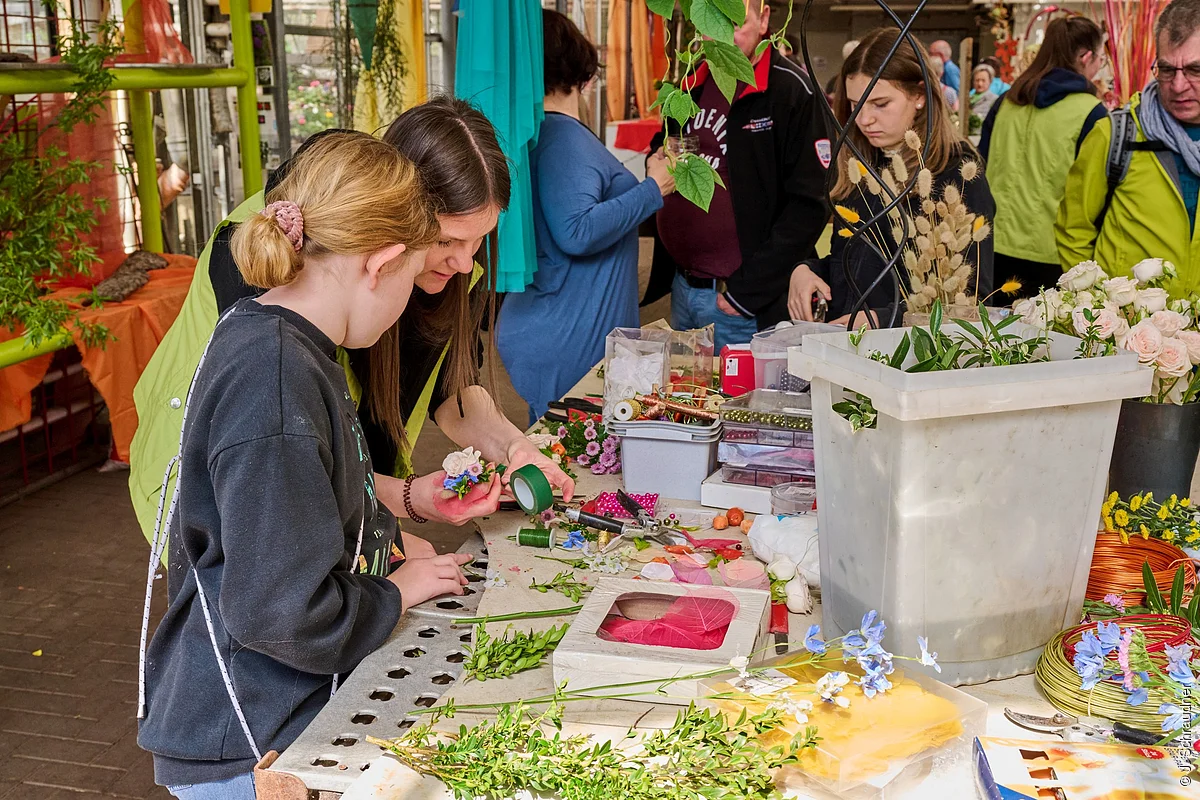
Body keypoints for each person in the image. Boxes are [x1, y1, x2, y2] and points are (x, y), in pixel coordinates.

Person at [138, 132, 475, 798]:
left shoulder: (279, 338)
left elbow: (309, 508)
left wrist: (389, 543)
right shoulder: (277, 380)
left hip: (269, 713)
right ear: (381, 264)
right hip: (250, 742)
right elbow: (282, 613)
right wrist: (395, 594)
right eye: (412, 277)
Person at [130, 97, 574, 550]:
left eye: (479, 239)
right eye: (444, 241)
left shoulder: (439, 266)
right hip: (218, 499)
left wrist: (512, 447)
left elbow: (451, 386)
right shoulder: (268, 254)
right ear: (390, 233)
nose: (464, 263)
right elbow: (281, 469)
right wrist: (384, 541)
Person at [497, 10, 674, 424]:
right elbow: (576, 231)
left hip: (551, 323)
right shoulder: (562, 137)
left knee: (558, 442)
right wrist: (654, 188)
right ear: (585, 74)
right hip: (564, 331)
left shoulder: (540, 135)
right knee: (569, 446)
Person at [646, 0, 832, 345]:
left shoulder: (790, 91)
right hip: (684, 286)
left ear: (764, 20)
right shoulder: (692, 82)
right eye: (711, 22)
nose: (720, 35)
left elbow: (810, 204)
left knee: (735, 383)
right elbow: (662, 140)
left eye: (734, 22)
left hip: (740, 303)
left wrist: (746, 293)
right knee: (687, 380)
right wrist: (655, 157)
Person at [787, 28, 995, 326]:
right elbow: (852, 264)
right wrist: (806, 271)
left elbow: (971, 300)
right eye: (855, 105)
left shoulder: (957, 174)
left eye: (880, 104)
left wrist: (882, 320)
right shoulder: (858, 165)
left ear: (920, 96)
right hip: (843, 344)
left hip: (907, 352)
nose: (864, 119)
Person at [1056, 0, 1200, 294]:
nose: (1178, 85)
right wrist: (1097, 306)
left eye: (1195, 70)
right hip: (1127, 320)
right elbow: (1074, 230)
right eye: (1167, 69)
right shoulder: (1116, 135)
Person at [980, 16, 1107, 297]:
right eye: (1101, 58)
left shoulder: (1006, 102)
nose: (1100, 66)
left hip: (993, 245)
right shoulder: (1092, 113)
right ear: (1086, 57)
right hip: (1054, 253)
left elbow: (980, 167)